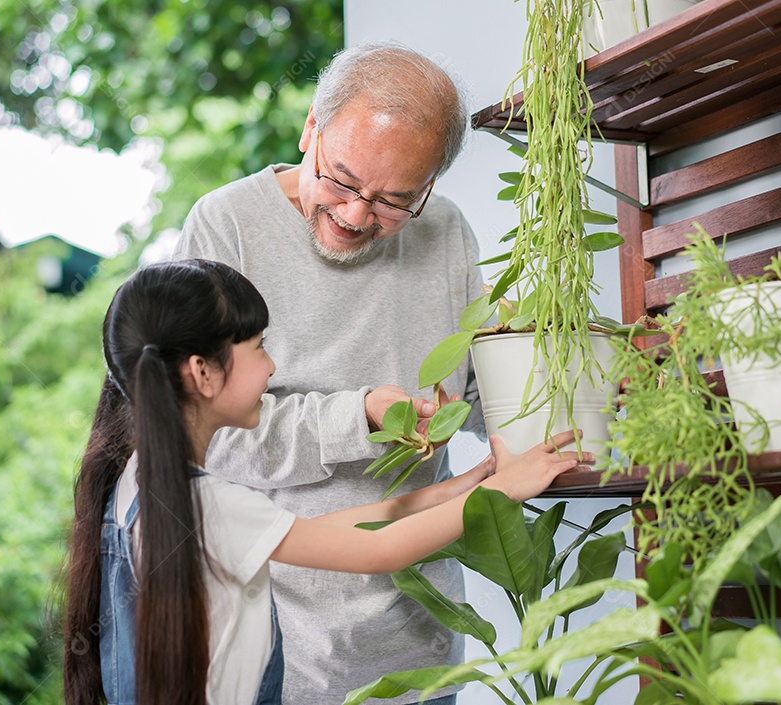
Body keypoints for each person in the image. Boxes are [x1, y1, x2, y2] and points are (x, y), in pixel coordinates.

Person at [61, 259, 587, 705]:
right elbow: (375, 553)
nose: (271, 368)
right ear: (203, 373)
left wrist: (459, 488)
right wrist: (504, 491)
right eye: (259, 347)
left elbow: (330, 530)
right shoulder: (208, 506)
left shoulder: (140, 486)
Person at [172, 42, 486, 703]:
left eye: (394, 200)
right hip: (276, 649)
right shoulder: (226, 226)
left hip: (422, 653)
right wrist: (360, 415)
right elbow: (209, 437)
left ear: (430, 186)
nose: (354, 215)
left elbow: (478, 397)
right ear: (310, 128)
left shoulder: (448, 234)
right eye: (341, 180)